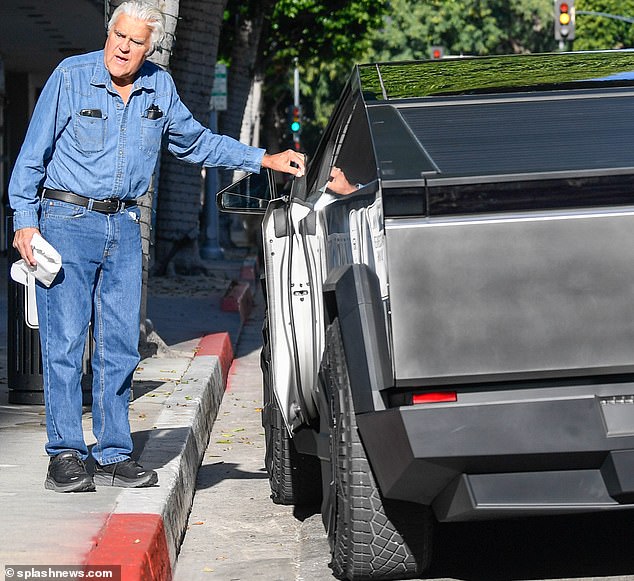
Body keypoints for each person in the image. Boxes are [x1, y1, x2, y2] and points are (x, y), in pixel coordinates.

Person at [8, 1, 305, 493]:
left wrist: (263, 158)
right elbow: (32, 153)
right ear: (110, 33)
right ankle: (64, 454)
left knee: (121, 347)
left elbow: (197, 143)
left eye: (135, 42)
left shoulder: (158, 87)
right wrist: (24, 220)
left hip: (124, 226)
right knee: (63, 345)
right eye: (118, 36)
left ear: (150, 48)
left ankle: (114, 452)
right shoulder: (71, 76)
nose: (123, 48)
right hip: (65, 222)